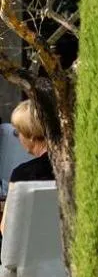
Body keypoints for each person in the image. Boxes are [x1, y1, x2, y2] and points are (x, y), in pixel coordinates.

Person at [1, 99, 53, 233]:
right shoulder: (73, 167)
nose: (18, 137)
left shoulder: (23, 174)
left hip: (30, 251)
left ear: (31, 136)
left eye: (19, 132)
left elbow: (6, 228)